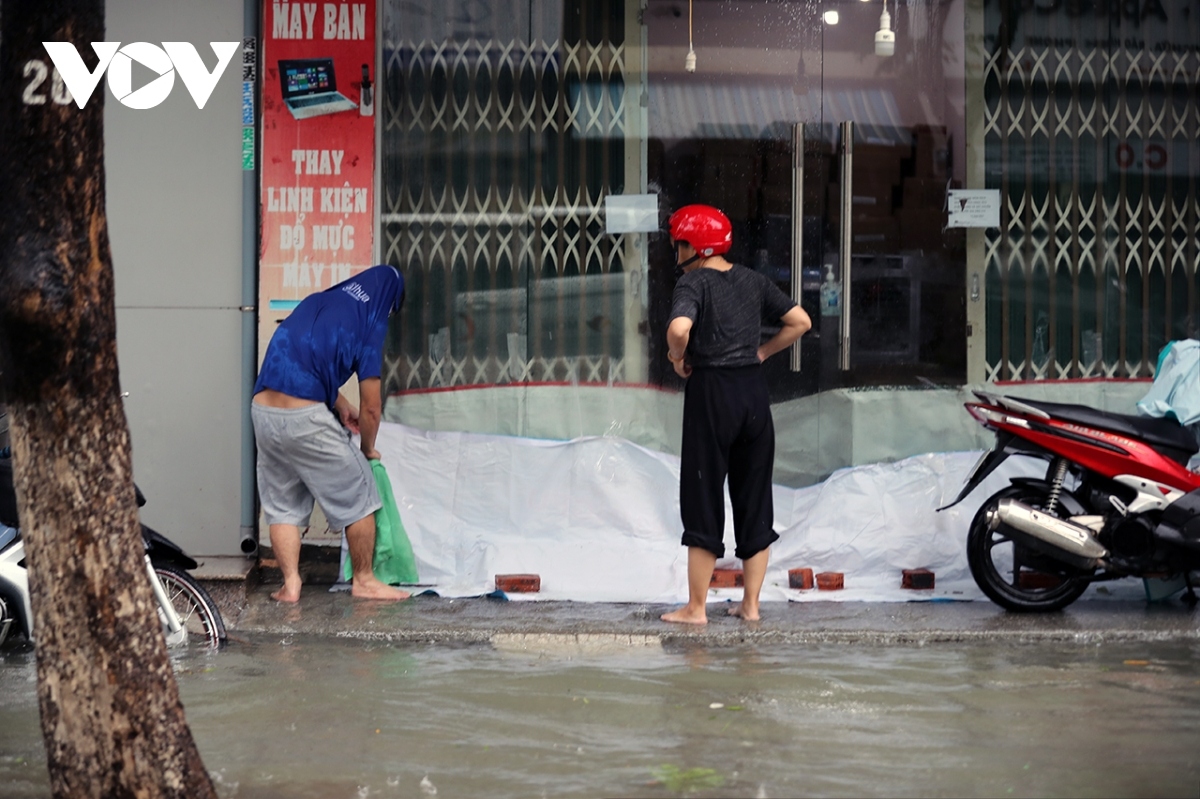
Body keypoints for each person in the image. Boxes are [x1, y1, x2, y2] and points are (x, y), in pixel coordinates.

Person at [660, 205, 812, 625]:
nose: (677, 255)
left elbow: (678, 329)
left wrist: (676, 357)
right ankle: (751, 606)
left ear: (696, 247)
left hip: (712, 394)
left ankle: (695, 609)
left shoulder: (694, 284)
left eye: (680, 245)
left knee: (703, 496)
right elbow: (800, 321)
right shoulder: (753, 280)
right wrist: (761, 352)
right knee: (754, 498)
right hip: (752, 395)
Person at [252, 264, 410, 603]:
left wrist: (338, 404)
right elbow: (371, 407)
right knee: (360, 493)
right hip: (304, 416)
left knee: (283, 506)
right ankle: (365, 579)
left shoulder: (318, 301)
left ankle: (291, 585)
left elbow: (302, 357)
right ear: (388, 298)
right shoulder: (372, 322)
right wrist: (368, 448)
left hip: (263, 409)